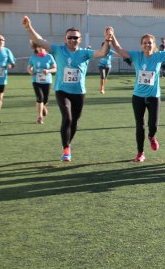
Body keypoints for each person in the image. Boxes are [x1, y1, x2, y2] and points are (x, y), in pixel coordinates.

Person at [22, 15, 113, 161]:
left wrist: (108, 39)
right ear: (65, 39)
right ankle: (66, 149)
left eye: (75, 38)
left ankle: (68, 143)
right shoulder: (58, 50)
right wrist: (28, 28)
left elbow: (102, 53)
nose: (73, 40)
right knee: (67, 117)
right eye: (70, 37)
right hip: (62, 91)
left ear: (80, 39)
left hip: (79, 92)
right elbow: (39, 41)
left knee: (75, 121)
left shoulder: (84, 53)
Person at [110, 32, 165, 161]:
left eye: (150, 42)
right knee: (140, 125)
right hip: (138, 96)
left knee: (153, 125)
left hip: (154, 96)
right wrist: (112, 36)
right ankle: (140, 153)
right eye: (145, 43)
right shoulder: (136, 55)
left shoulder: (159, 56)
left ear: (153, 45)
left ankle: (151, 136)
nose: (147, 45)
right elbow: (118, 49)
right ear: (141, 45)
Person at [27, 41, 57, 124]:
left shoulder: (49, 56)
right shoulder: (33, 57)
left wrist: (48, 70)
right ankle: (40, 117)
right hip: (36, 80)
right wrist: (30, 71)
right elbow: (29, 67)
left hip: (47, 81)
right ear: (35, 48)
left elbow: (55, 68)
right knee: (40, 98)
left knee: (45, 99)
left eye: (41, 46)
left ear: (44, 47)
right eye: (38, 47)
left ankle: (43, 106)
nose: (40, 48)